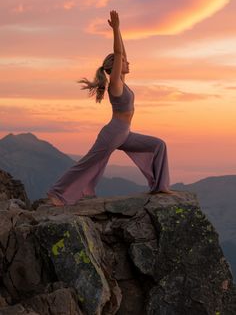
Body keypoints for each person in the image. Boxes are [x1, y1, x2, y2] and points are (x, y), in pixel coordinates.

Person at [47, 10, 173, 206]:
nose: (128, 62)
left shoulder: (122, 81)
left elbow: (123, 53)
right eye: (124, 62)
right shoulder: (115, 84)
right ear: (115, 67)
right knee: (87, 163)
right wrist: (115, 29)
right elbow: (119, 53)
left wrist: (120, 31)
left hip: (125, 133)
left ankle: (160, 186)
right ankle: (56, 193)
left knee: (159, 145)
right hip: (113, 133)